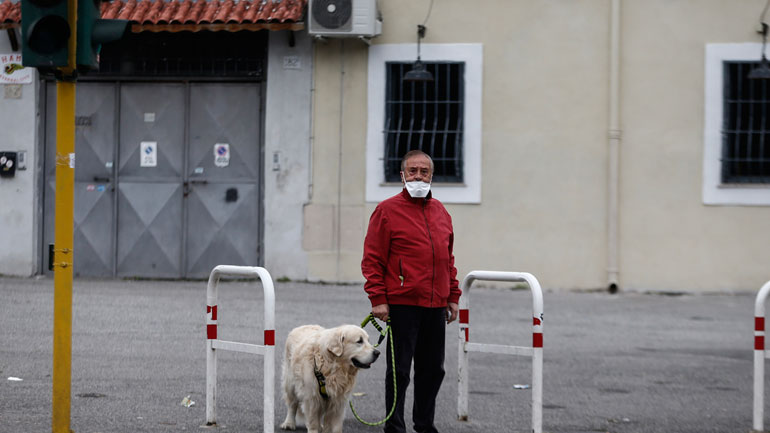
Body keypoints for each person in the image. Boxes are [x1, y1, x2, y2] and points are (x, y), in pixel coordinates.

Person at [361, 150, 461, 433]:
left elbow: (447, 258)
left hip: (435, 304)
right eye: (413, 170)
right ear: (402, 175)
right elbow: (372, 259)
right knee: (400, 370)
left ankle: (424, 424)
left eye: (424, 171)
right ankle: (395, 426)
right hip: (402, 304)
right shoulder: (386, 211)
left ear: (432, 176)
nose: (419, 175)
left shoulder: (441, 212)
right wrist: (378, 299)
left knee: (433, 370)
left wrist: (452, 296)